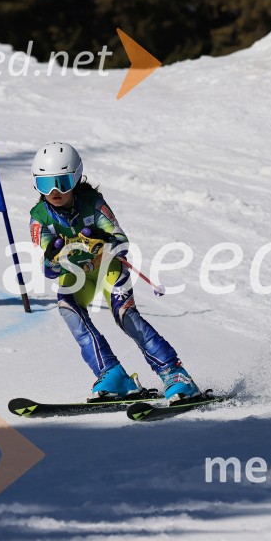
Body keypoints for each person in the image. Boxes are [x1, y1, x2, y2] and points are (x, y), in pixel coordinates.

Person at [29, 142, 201, 403]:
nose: (54, 191)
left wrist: (105, 238)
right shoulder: (39, 218)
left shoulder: (93, 203)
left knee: (125, 315)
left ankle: (175, 375)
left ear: (75, 178)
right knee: (68, 309)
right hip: (76, 275)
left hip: (107, 269)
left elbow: (122, 243)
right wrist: (53, 254)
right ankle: (112, 374)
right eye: (45, 184)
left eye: (62, 182)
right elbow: (50, 270)